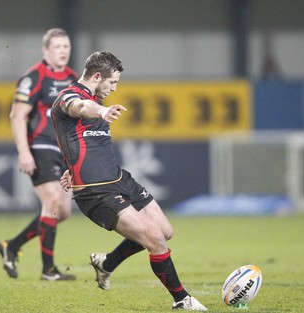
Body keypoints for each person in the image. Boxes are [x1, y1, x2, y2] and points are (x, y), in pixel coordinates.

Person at [51, 51, 207, 311]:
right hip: (95, 191)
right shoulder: (69, 97)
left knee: (165, 232)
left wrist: (70, 166)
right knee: (155, 239)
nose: (114, 88)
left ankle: (106, 264)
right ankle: (182, 300)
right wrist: (101, 111)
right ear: (97, 76)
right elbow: (80, 108)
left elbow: (83, 143)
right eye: (112, 82)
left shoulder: (95, 98)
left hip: (120, 178)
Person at [0, 28, 77, 281]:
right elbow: (17, 115)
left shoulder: (74, 78)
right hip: (39, 146)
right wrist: (24, 152)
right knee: (53, 201)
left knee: (61, 211)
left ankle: (11, 245)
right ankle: (48, 270)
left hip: (63, 151)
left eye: (66, 46)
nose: (63, 51)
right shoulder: (34, 76)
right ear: (46, 51)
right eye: (57, 47)